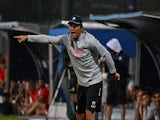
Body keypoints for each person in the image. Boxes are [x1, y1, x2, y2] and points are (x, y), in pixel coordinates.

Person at [14, 15, 120, 120]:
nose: (72, 28)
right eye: (71, 26)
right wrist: (28, 37)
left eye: (75, 26)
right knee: (79, 116)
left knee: (89, 115)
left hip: (94, 82)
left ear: (81, 28)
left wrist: (113, 72)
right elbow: (48, 39)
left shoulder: (90, 40)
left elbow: (106, 54)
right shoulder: (66, 40)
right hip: (82, 84)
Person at [105, 38, 129, 120]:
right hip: (111, 83)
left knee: (121, 103)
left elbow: (123, 67)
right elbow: (106, 69)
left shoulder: (124, 56)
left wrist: (111, 59)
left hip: (120, 83)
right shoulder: (110, 56)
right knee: (109, 104)